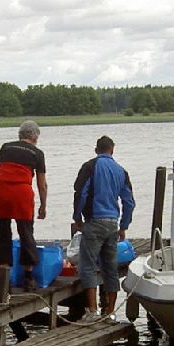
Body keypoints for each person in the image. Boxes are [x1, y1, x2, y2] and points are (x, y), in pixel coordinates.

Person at [71, 135, 135, 321]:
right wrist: (124, 225)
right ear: (112, 150)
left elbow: (81, 193)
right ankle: (110, 312)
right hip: (112, 223)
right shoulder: (121, 171)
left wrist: (77, 217)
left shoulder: (90, 167)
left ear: (96, 149)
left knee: (88, 265)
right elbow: (129, 202)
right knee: (110, 268)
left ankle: (92, 311)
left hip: (94, 221)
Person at [0, 120, 48, 291]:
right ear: (35, 137)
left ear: (20, 135)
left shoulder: (5, 147)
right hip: (21, 194)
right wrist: (43, 205)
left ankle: (5, 280)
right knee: (26, 234)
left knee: (2, 237)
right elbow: (42, 185)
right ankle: (28, 279)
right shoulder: (37, 153)